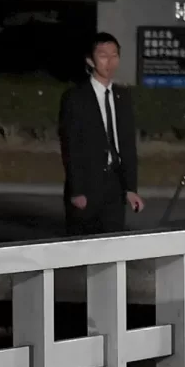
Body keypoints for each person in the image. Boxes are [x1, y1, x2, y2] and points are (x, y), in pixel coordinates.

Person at [59, 31, 142, 234]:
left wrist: (130, 188)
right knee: (83, 250)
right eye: (103, 55)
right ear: (90, 60)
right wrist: (77, 190)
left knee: (112, 247)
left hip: (115, 185)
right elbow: (70, 145)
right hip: (87, 185)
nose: (110, 61)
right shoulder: (75, 97)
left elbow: (128, 145)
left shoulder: (123, 97)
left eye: (114, 55)